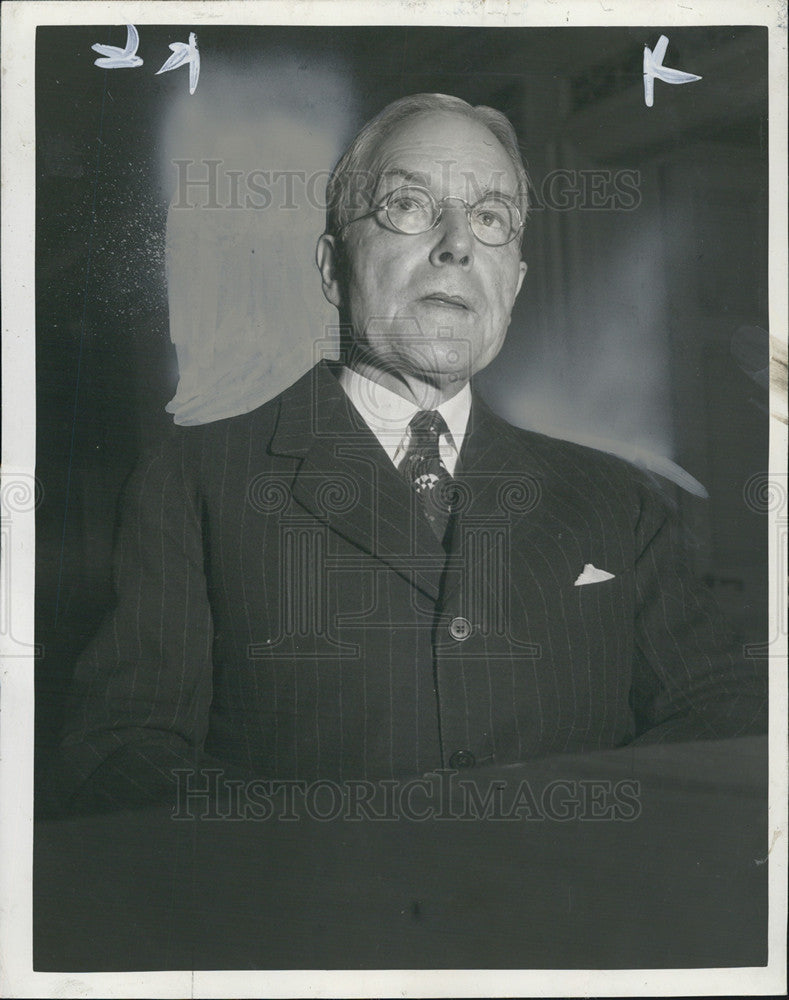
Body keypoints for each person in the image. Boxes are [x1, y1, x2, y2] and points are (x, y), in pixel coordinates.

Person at [49, 93, 767, 813]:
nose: (457, 243)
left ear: (510, 288)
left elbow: (725, 703)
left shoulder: (618, 500)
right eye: (409, 205)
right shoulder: (195, 481)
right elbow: (118, 752)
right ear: (332, 267)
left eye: (490, 219)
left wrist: (567, 847)